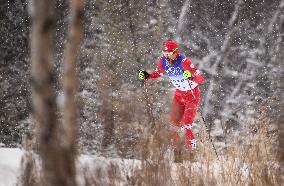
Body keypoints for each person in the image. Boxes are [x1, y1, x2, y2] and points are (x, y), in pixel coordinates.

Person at [138, 40, 205, 160]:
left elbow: (201, 79)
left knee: (186, 126)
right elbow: (158, 73)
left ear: (176, 52)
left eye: (169, 54)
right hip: (179, 95)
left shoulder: (184, 62)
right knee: (173, 125)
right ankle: (177, 155)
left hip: (192, 95)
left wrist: (191, 76)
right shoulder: (163, 60)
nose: (167, 57)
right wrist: (148, 75)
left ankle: (192, 155)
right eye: (165, 54)